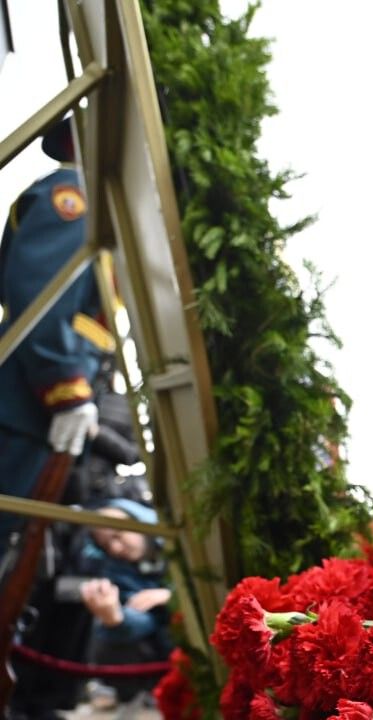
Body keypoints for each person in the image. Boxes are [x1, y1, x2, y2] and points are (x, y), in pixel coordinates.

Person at [0, 117, 107, 556]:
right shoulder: (76, 194)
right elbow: (42, 300)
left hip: (30, 406)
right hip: (23, 402)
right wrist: (69, 390)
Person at [77, 499, 172, 705]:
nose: (115, 548)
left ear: (138, 522)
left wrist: (171, 597)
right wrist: (115, 619)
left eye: (117, 535)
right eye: (105, 545)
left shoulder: (178, 544)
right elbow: (145, 619)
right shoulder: (116, 570)